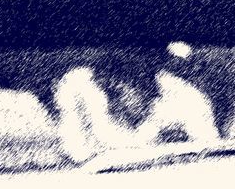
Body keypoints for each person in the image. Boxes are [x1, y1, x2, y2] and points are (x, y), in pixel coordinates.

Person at [53, 48, 219, 162]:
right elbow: (72, 149)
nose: (113, 80)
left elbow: (210, 152)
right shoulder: (77, 85)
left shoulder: (189, 99)